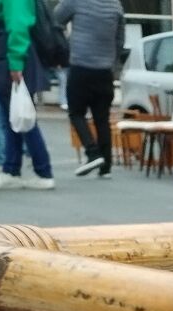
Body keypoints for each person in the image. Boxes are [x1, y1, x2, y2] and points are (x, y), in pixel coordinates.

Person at [0, 0, 53, 188]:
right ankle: (12, 169)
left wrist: (15, 63)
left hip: (10, 58)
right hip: (9, 55)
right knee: (14, 117)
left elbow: (17, 24)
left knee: (22, 117)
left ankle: (41, 170)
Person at [54, 0, 122, 178]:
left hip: (81, 67)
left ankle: (92, 152)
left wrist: (65, 44)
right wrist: (113, 64)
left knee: (76, 113)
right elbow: (120, 39)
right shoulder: (115, 5)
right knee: (102, 119)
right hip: (105, 71)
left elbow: (55, 19)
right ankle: (106, 166)